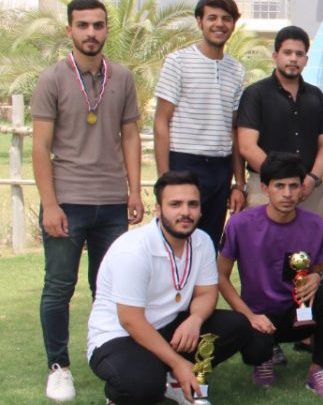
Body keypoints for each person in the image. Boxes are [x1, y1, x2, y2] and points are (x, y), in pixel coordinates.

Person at [34, 0, 144, 402]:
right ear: (70, 30)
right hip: (67, 201)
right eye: (82, 25)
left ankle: (114, 358)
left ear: (106, 30)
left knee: (110, 288)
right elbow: (40, 147)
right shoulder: (52, 79)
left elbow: (130, 136)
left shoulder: (123, 77)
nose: (91, 33)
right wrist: (50, 204)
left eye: (98, 25)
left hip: (112, 202)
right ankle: (58, 367)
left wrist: (134, 190)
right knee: (59, 287)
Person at [86, 171, 260, 405]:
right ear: (158, 209)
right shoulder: (133, 250)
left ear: (200, 209)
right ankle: (123, 394)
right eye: (175, 204)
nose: (185, 212)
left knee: (236, 325)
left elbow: (207, 293)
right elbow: (130, 320)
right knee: (144, 386)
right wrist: (178, 362)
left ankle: (175, 382)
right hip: (119, 336)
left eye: (192, 204)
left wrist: (195, 319)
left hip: (168, 326)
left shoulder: (202, 241)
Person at [216, 152, 323, 397]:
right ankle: (264, 357)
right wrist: (249, 315)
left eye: (293, 186)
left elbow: (316, 270)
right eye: (279, 186)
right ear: (265, 188)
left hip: (298, 313)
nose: (287, 194)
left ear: (302, 188)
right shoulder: (240, 224)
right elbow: (221, 275)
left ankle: (317, 369)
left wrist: (316, 277)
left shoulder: (315, 225)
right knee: (256, 351)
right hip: (259, 316)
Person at [154, 0, 247, 247]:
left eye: (226, 19)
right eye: (212, 18)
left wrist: (239, 183)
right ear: (199, 21)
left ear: (233, 24)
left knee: (208, 244)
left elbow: (234, 129)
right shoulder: (178, 62)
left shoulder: (237, 70)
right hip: (184, 162)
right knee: (175, 241)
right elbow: (161, 122)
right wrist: (165, 180)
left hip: (221, 167)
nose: (219, 24)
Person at [236, 26, 323, 218]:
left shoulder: (316, 96)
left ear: (306, 60)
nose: (293, 58)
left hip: (309, 191)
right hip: (265, 188)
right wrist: (281, 181)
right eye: (287, 52)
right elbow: (247, 146)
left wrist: (312, 179)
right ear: (275, 56)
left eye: (299, 54)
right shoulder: (255, 94)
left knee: (311, 238)